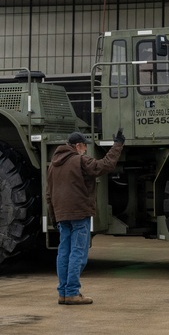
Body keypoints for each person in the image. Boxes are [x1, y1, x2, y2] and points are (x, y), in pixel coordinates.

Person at [46, 129, 125, 305]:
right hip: (79, 213)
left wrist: (54, 217)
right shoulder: (80, 161)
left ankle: (63, 293)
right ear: (78, 146)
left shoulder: (53, 165)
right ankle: (73, 292)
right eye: (84, 147)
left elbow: (49, 194)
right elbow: (105, 165)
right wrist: (117, 145)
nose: (86, 150)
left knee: (63, 252)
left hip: (61, 214)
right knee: (78, 252)